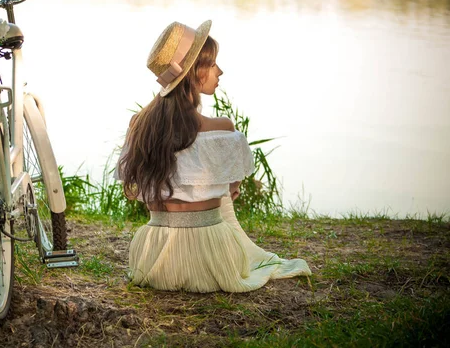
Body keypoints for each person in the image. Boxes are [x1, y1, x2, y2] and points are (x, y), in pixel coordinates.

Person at [114, 20, 311, 293]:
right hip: (211, 255)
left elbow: (136, 191)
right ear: (195, 72)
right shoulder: (222, 130)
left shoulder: (139, 126)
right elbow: (230, 194)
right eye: (213, 64)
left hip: (152, 260)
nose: (220, 71)